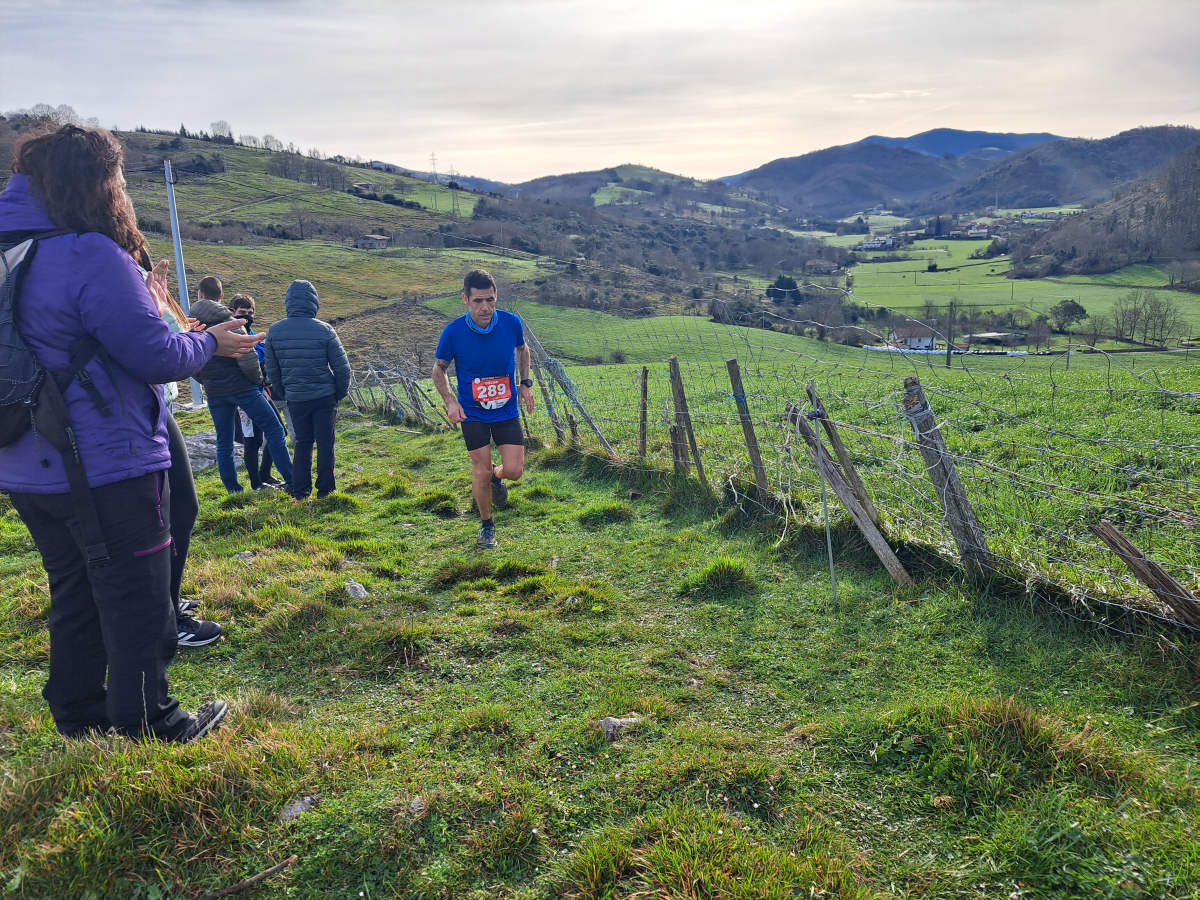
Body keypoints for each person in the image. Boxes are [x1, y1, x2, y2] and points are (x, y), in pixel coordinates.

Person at [0, 124, 259, 742]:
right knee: (137, 594)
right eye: (116, 178)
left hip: (25, 462)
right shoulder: (87, 253)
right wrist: (209, 342)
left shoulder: (13, 251)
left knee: (74, 589)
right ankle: (152, 720)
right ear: (94, 183)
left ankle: (79, 716)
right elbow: (156, 355)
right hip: (104, 460)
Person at [148, 260, 222, 647]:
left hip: (156, 401)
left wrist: (184, 332)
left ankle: (165, 603)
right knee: (172, 510)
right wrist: (207, 342)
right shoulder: (104, 262)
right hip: (141, 404)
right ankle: (163, 618)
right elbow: (157, 350)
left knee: (178, 507)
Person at [432, 269, 534, 549]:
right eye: (478, 301)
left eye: (490, 299)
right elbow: (439, 369)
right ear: (465, 299)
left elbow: (523, 349)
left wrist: (525, 383)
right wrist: (450, 401)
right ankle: (487, 526)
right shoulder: (453, 332)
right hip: (472, 412)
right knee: (480, 469)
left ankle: (497, 478)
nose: (485, 307)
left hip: (506, 410)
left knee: (514, 470)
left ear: (496, 296)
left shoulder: (511, 323)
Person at [192, 277, 294, 495]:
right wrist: (257, 380)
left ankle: (234, 491)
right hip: (243, 388)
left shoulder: (192, 327)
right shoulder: (230, 322)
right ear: (221, 296)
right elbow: (248, 358)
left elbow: (191, 362)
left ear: (199, 294)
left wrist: (207, 381)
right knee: (275, 429)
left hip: (215, 392)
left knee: (224, 442)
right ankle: (293, 481)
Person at [263, 280, 351, 500]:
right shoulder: (325, 330)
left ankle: (301, 491)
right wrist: (338, 392)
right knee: (325, 443)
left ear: (288, 302)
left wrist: (285, 393)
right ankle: (326, 490)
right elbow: (342, 368)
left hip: (296, 398)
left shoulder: (274, 331)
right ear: (313, 302)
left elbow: (272, 371)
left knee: (302, 443)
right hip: (324, 396)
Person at [228, 293, 285, 491]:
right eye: (242, 312)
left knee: (279, 431)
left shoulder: (254, 336)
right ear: (232, 312)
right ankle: (256, 483)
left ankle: (264, 474)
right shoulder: (229, 336)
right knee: (252, 439)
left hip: (260, 392)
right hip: (243, 396)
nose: (247, 316)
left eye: (250, 313)